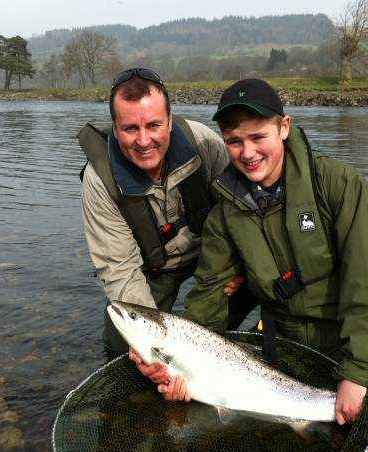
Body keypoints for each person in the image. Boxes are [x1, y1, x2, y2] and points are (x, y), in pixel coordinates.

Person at [135, 78, 368, 426]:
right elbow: (208, 294)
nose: (247, 153)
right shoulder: (224, 214)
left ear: (284, 127)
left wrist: (356, 373)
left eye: (258, 137)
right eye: (234, 141)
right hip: (288, 346)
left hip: (354, 340)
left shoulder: (340, 185)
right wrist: (182, 365)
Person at [79, 68, 256, 359]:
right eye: (130, 129)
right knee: (123, 346)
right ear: (114, 126)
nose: (144, 141)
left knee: (219, 317)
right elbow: (119, 270)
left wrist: (237, 266)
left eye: (153, 125)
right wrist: (147, 345)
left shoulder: (202, 143)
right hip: (153, 269)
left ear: (170, 121)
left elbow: (240, 214)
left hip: (211, 256)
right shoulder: (99, 181)